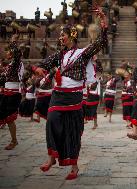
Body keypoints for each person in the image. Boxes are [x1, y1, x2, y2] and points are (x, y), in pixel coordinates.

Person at [33, 9, 107, 180]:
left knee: (72, 131)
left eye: (63, 35)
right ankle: (51, 158)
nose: (61, 37)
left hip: (74, 96)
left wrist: (103, 23)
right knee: (51, 120)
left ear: (72, 36)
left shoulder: (82, 53)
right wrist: (38, 68)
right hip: (58, 94)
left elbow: (101, 42)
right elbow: (45, 63)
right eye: (60, 35)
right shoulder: (59, 55)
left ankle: (74, 166)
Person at [0, 34, 24, 150]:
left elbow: (17, 55)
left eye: (9, 51)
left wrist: (14, 42)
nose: (7, 53)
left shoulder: (16, 64)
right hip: (6, 93)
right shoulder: (9, 66)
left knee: (9, 117)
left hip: (13, 94)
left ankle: (14, 141)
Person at [85, 58, 103, 129]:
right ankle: (85, 119)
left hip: (95, 94)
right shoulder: (89, 75)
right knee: (87, 106)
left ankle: (95, 124)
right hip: (90, 93)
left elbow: (96, 82)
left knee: (94, 109)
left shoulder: (98, 75)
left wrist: (97, 61)